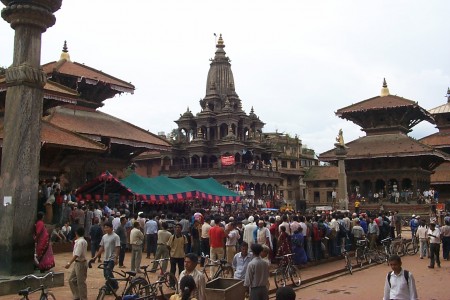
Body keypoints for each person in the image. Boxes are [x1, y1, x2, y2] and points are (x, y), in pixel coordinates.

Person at [91, 222, 120, 291]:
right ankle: (111, 286)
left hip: (112, 258)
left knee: (108, 272)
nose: (105, 229)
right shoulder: (104, 237)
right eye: (105, 227)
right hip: (106, 258)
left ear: (111, 228)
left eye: (107, 227)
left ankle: (114, 285)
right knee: (105, 274)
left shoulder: (115, 236)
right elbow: (101, 247)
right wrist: (95, 257)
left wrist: (116, 257)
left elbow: (117, 247)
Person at [65, 227, 88, 300]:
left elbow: (77, 254)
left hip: (80, 263)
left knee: (81, 282)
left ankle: (83, 298)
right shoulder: (81, 241)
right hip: (77, 263)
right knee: (72, 280)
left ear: (76, 233)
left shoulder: (80, 242)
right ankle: (77, 296)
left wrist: (69, 263)